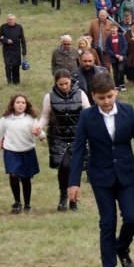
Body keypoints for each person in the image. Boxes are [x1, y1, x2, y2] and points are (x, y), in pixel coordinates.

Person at [68, 72, 134, 267]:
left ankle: (122, 247)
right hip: (100, 176)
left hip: (126, 174)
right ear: (93, 96)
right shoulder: (87, 117)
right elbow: (78, 149)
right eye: (101, 98)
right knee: (107, 222)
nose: (106, 101)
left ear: (116, 92)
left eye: (110, 96)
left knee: (132, 218)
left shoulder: (128, 111)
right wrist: (73, 182)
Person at [39, 69, 90, 212]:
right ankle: (63, 195)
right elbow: (45, 116)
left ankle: (74, 199)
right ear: (56, 83)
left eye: (66, 83)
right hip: (58, 137)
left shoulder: (81, 94)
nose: (64, 86)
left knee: (75, 167)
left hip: (77, 136)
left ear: (70, 81)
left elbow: (88, 113)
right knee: (64, 166)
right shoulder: (49, 97)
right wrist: (39, 127)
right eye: (60, 84)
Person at [0, 93, 44, 214]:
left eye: (23, 103)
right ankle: (17, 202)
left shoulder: (31, 118)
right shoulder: (6, 119)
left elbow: (41, 134)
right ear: (13, 104)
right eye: (18, 102)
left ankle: (27, 204)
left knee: (25, 179)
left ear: (26, 105)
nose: (20, 105)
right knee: (13, 174)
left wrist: (40, 135)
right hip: (11, 152)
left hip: (27, 152)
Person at [0, 14, 27, 85]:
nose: (10, 21)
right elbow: (0, 37)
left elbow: (23, 40)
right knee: (7, 65)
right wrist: (6, 40)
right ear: (7, 20)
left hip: (16, 49)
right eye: (9, 19)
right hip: (6, 49)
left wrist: (24, 51)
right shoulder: (3, 27)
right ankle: (9, 81)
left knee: (16, 66)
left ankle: (16, 82)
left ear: (14, 20)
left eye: (12, 19)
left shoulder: (19, 27)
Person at [104, 24, 128, 91]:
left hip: (121, 57)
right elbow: (107, 48)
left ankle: (122, 85)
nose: (112, 29)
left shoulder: (121, 36)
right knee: (115, 72)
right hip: (113, 58)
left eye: (114, 28)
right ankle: (117, 85)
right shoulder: (108, 38)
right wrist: (115, 55)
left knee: (121, 70)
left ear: (117, 28)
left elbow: (125, 45)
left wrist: (121, 54)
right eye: (111, 28)